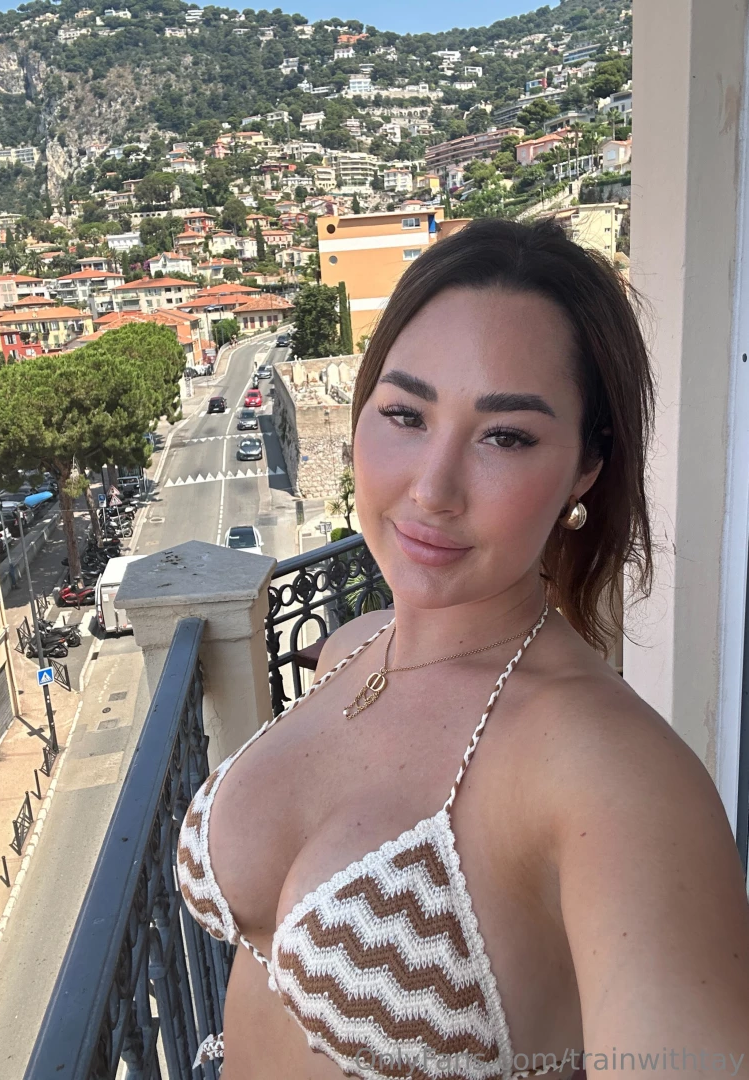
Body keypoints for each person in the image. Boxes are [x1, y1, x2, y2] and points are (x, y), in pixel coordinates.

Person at [177, 219, 749, 1079]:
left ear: (586, 469)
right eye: (405, 414)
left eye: (505, 436)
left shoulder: (614, 778)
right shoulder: (349, 652)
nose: (432, 490)